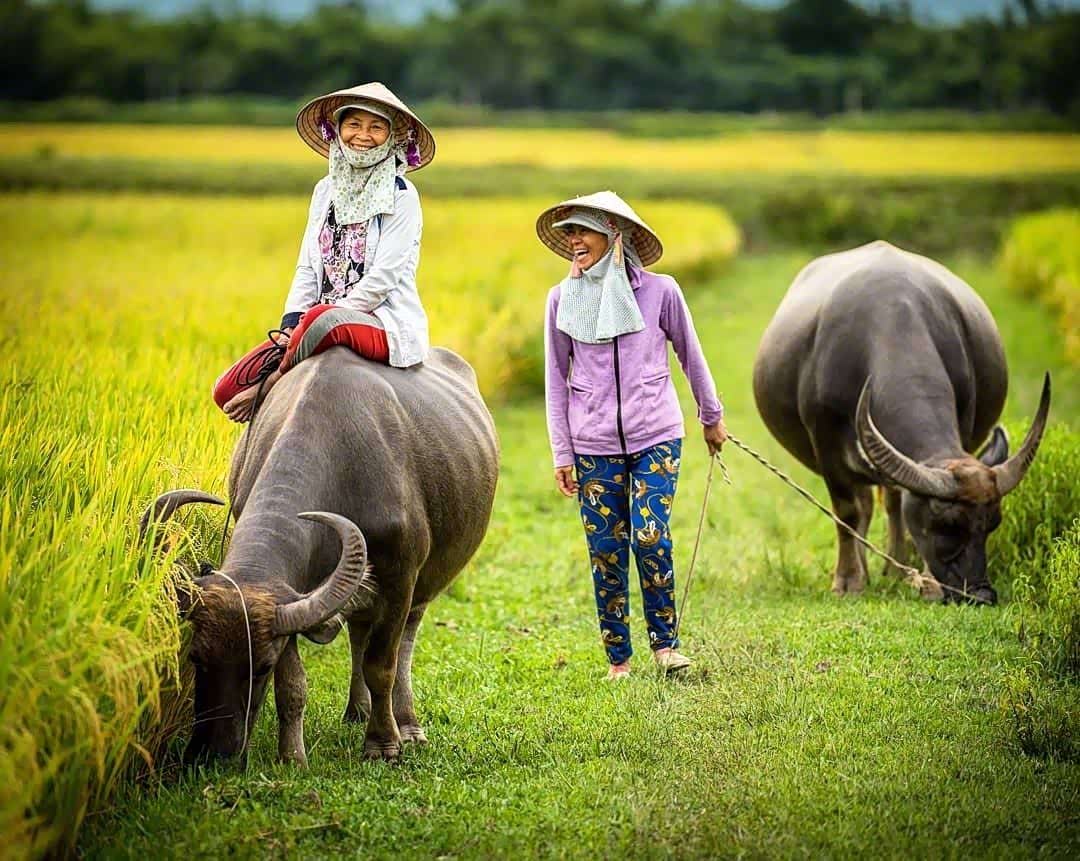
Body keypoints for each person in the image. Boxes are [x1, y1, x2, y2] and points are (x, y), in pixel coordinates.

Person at [538, 191, 727, 680]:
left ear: (614, 235)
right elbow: (556, 379)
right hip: (592, 444)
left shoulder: (662, 291)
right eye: (569, 233)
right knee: (605, 550)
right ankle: (619, 660)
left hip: (656, 434)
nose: (574, 240)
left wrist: (712, 415)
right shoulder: (561, 299)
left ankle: (666, 647)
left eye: (583, 230)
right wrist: (562, 450)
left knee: (648, 535)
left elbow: (691, 354)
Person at [213, 82, 435, 421]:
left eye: (376, 127)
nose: (363, 135)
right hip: (312, 325)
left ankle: (276, 380)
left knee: (322, 317)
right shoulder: (325, 189)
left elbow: (384, 277)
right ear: (338, 129)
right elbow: (307, 265)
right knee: (226, 389)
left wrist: (324, 318)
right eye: (354, 125)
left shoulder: (402, 195)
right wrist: (291, 325)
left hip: (377, 321)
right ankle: (301, 340)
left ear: (392, 137)